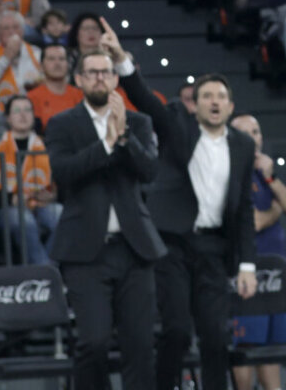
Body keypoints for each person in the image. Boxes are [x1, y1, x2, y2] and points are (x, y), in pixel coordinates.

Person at [100, 19, 257, 390]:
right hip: (173, 244)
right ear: (195, 105)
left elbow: (244, 206)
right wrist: (122, 59)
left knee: (217, 336)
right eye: (206, 96)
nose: (214, 102)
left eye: (220, 96)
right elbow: (143, 98)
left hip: (216, 248)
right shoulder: (177, 126)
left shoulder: (243, 145)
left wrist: (247, 263)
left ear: (231, 106)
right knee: (175, 331)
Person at [44, 46, 166, 390]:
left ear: (116, 79)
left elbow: (150, 172)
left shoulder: (139, 122)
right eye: (93, 72)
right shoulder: (62, 124)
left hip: (135, 249)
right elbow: (64, 173)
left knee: (141, 346)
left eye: (107, 72)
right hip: (85, 252)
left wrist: (123, 136)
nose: (101, 77)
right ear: (79, 79)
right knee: (93, 343)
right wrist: (106, 144)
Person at [230, 114, 286, 390]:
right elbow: (254, 222)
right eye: (245, 132)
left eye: (256, 132)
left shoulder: (266, 171)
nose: (253, 137)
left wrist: (271, 178)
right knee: (246, 349)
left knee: (273, 351)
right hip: (248, 273)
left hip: (276, 276)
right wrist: (275, 209)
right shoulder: (231, 171)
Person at [0, 94, 60, 263]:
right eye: (17, 111)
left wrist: (54, 194)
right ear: (8, 118)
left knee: (62, 215)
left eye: (27, 110)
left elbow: (60, 179)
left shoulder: (47, 145)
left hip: (41, 203)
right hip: (6, 207)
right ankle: (48, 275)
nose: (23, 115)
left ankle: (45, 271)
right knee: (25, 220)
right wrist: (11, 198)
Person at [28, 41, 83, 127]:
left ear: (68, 64)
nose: (57, 63)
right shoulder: (32, 98)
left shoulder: (80, 95)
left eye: (61, 59)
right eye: (51, 59)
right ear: (41, 66)